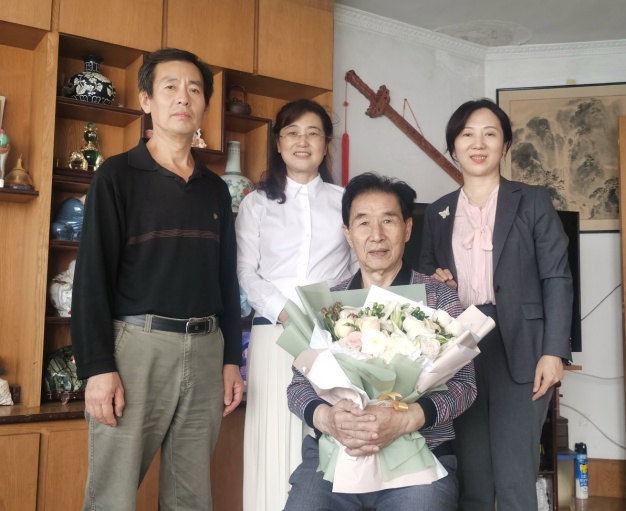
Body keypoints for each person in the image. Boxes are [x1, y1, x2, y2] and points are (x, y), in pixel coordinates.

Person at [71, 48, 243, 511]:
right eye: (170, 87)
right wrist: (97, 368)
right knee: (112, 497)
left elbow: (226, 280)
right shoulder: (116, 176)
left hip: (206, 351)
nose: (183, 97)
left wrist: (231, 359)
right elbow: (91, 279)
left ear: (204, 105)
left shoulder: (215, 189)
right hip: (136, 350)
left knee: (191, 498)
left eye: (194, 89)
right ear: (146, 100)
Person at [285, 172, 477, 511]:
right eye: (363, 223)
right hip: (335, 457)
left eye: (388, 221)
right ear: (348, 233)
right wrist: (328, 419)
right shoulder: (327, 304)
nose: (376, 235)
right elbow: (297, 387)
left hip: (422, 456)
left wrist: (407, 419)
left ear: (407, 229)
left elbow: (465, 386)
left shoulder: (439, 298)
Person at [418, 98, 573, 511]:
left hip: (522, 345)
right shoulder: (437, 212)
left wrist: (554, 351)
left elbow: (557, 277)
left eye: (490, 134)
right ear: (453, 147)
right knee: (471, 478)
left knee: (515, 476)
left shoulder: (532, 201)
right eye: (467, 134)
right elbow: (425, 280)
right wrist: (436, 281)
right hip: (460, 345)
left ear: (504, 146)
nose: (478, 143)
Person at [236, 98, 358, 511]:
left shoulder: (346, 201)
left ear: (326, 144)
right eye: (292, 133)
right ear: (278, 142)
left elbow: (360, 267)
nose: (302, 142)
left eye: (313, 133)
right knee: (274, 433)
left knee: (328, 436)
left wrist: (336, 318)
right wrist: (287, 312)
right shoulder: (255, 203)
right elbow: (245, 272)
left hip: (334, 337)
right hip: (275, 335)